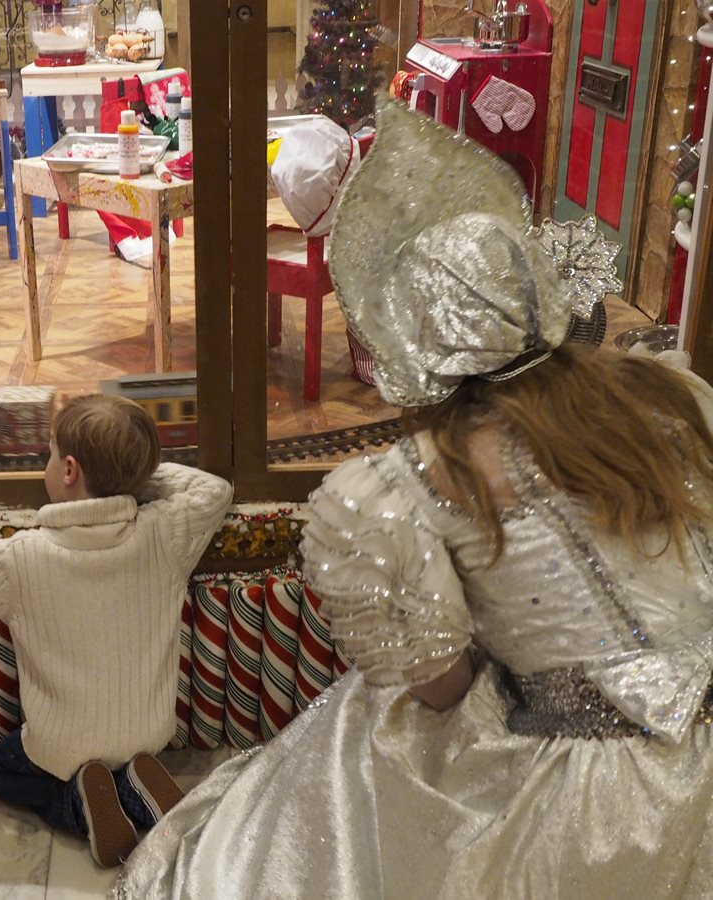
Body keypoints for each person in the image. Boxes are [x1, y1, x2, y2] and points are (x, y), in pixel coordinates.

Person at [114, 98, 713, 899]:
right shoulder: (667, 395)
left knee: (364, 735)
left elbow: (440, 687)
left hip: (600, 802)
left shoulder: (406, 487)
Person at [0, 393, 233, 868]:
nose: (48, 462)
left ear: (70, 471)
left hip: (61, 745)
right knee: (115, 757)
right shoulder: (165, 532)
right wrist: (128, 473)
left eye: (50, 453)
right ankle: (137, 784)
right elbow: (214, 491)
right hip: (149, 730)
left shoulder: (22, 558)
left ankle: (80, 804)